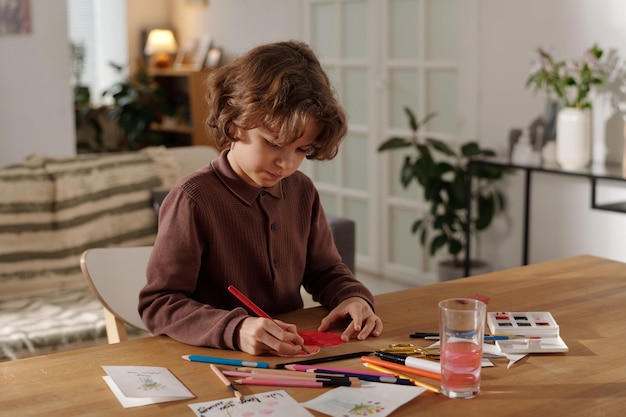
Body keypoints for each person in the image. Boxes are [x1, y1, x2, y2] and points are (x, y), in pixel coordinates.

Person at [138, 40, 382, 356]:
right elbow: (158, 304)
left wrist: (352, 297)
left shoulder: (301, 190)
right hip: (219, 362)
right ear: (234, 120)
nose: (287, 163)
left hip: (289, 357)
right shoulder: (193, 198)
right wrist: (236, 329)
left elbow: (324, 270)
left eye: (301, 150)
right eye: (274, 143)